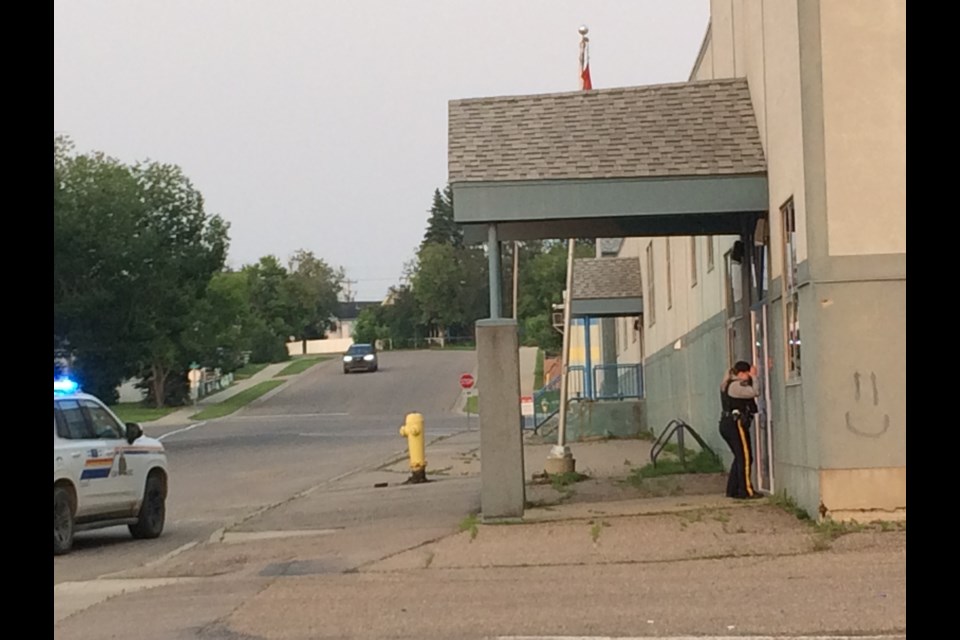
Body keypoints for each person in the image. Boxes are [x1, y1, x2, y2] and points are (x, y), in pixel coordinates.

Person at [719, 360, 762, 500]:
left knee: (739, 457)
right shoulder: (736, 386)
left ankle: (733, 489)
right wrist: (755, 377)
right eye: (748, 374)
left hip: (728, 423)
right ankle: (746, 490)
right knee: (745, 458)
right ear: (742, 373)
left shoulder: (727, 384)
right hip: (735, 424)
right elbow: (754, 392)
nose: (748, 378)